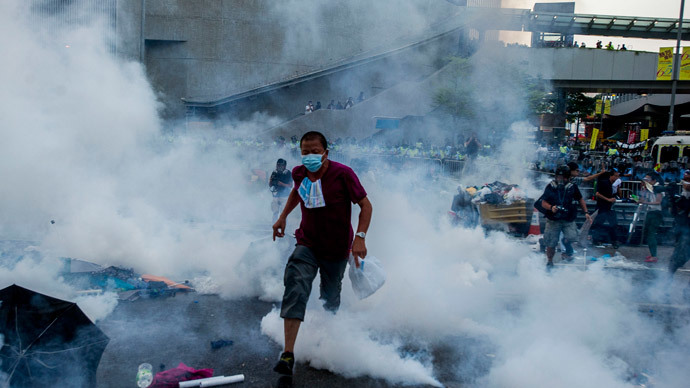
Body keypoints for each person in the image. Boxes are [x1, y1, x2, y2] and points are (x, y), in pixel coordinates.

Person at [271, 131, 373, 376]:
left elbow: (366, 206)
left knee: (330, 297)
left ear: (326, 152)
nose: (309, 156)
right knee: (296, 285)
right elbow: (297, 191)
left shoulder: (343, 174)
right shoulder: (299, 172)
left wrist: (360, 238)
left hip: (337, 248)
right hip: (307, 243)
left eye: (315, 151)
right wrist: (282, 216)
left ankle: (329, 342)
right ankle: (288, 354)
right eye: (305, 152)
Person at [540, 165, 592, 268]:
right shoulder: (551, 186)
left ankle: (566, 245)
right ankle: (550, 261)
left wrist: (586, 212)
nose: (560, 179)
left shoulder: (572, 187)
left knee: (573, 237)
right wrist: (551, 208)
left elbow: (581, 200)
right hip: (553, 220)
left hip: (568, 219)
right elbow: (543, 202)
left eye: (563, 177)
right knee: (551, 242)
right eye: (558, 177)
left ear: (568, 177)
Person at [638, 173, 664, 262]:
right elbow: (644, 198)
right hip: (650, 212)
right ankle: (652, 253)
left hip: (656, 213)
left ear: (654, 180)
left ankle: (654, 255)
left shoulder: (658, 188)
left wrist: (645, 202)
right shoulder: (649, 189)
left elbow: (658, 202)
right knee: (648, 233)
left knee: (651, 234)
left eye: (648, 180)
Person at [592, 170, 621, 249]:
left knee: (614, 224)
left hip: (610, 207)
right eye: (615, 176)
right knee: (599, 223)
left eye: (617, 176)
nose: (616, 178)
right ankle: (596, 240)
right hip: (602, 206)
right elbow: (597, 194)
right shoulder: (604, 182)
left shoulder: (614, 185)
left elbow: (618, 194)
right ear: (611, 176)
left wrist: (618, 187)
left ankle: (614, 241)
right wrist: (607, 199)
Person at [668, 173, 690, 274]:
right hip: (685, 232)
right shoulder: (683, 198)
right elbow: (675, 213)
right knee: (676, 260)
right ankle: (666, 282)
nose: (685, 184)